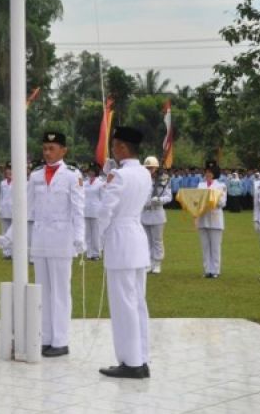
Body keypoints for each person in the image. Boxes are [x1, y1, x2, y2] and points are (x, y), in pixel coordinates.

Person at [96, 126, 151, 379]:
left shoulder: (119, 176)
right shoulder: (144, 173)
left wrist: (98, 239)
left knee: (123, 305)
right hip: (137, 237)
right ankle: (141, 356)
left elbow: (106, 211)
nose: (113, 150)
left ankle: (130, 362)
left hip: (120, 239)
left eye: (115, 145)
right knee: (138, 302)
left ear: (121, 148)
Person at [28, 131, 85, 358]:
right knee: (43, 291)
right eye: (45, 148)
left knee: (61, 291)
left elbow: (79, 209)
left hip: (62, 238)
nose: (47, 152)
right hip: (40, 239)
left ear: (64, 150)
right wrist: (11, 235)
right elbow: (25, 206)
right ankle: (46, 338)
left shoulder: (72, 175)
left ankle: (61, 340)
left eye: (52, 148)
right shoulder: (36, 175)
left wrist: (80, 237)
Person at [141, 157, 172, 274]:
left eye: (151, 168)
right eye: (147, 168)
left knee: (157, 241)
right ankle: (148, 263)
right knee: (147, 241)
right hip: (144, 213)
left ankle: (157, 263)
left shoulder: (163, 180)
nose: (149, 170)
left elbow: (169, 197)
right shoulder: (142, 180)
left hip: (157, 212)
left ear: (156, 168)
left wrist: (159, 199)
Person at [196, 161, 227, 279]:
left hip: (215, 218)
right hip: (203, 218)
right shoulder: (200, 185)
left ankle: (215, 270)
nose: (208, 174)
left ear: (215, 174)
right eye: (207, 172)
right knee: (205, 246)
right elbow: (197, 201)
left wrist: (212, 198)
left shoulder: (221, 185)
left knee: (215, 246)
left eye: (211, 172)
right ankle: (207, 269)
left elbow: (223, 203)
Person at [83, 162, 103, 260]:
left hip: (96, 211)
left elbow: (102, 197)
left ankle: (96, 253)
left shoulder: (100, 183)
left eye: (92, 171)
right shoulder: (85, 183)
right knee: (87, 234)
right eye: (89, 171)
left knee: (96, 234)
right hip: (86, 210)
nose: (90, 173)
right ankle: (89, 252)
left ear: (96, 172)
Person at [0, 162, 13, 260]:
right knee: (4, 232)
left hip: (14, 210)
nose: (8, 171)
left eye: (10, 169)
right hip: (4, 209)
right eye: (7, 169)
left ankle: (13, 251)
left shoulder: (20, 181)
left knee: (13, 232)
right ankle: (6, 252)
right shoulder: (2, 183)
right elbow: (0, 197)